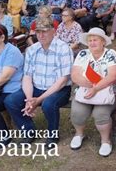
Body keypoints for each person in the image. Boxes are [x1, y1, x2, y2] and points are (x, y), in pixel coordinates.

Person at [4, 17, 73, 147]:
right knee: (11, 101)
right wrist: (30, 99)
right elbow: (27, 77)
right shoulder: (32, 49)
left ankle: (53, 135)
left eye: (45, 31)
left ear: (53, 31)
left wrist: (38, 100)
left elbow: (62, 81)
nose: (41, 35)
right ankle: (28, 132)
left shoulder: (63, 49)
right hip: (36, 87)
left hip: (59, 89)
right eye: (38, 32)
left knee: (48, 104)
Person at [69, 28, 116, 157]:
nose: (92, 43)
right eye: (89, 40)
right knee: (77, 112)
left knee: (101, 114)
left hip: (105, 91)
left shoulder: (110, 53)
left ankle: (105, 141)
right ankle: (79, 134)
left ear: (103, 42)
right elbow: (75, 75)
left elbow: (113, 75)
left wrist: (96, 88)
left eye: (95, 40)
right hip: (86, 89)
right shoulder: (83, 54)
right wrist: (90, 85)